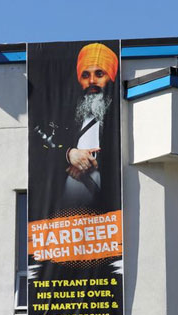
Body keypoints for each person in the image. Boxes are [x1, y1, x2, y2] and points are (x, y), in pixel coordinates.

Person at [60, 43, 118, 210]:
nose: (92, 81)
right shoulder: (68, 115)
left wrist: (87, 163)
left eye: (99, 74)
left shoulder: (118, 115)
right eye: (86, 75)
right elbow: (43, 147)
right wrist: (70, 155)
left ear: (111, 77)